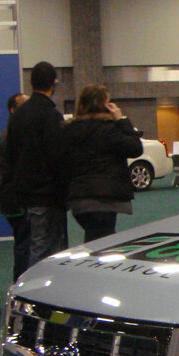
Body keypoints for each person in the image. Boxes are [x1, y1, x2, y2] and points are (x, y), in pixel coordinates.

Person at [60, 84, 143, 243]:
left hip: (79, 198)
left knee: (95, 239)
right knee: (102, 244)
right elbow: (135, 148)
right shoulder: (109, 129)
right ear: (106, 105)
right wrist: (122, 120)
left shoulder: (69, 130)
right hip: (105, 198)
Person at [5, 61, 67, 268]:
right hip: (47, 194)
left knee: (35, 244)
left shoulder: (18, 116)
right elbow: (57, 157)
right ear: (53, 83)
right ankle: (35, 292)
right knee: (45, 249)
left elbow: (10, 153)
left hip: (24, 193)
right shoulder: (50, 115)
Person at [0, 92, 30, 280]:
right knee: (24, 244)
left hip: (13, 197)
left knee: (24, 243)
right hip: (15, 199)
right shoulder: (12, 135)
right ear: (13, 110)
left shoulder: (12, 132)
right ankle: (21, 285)